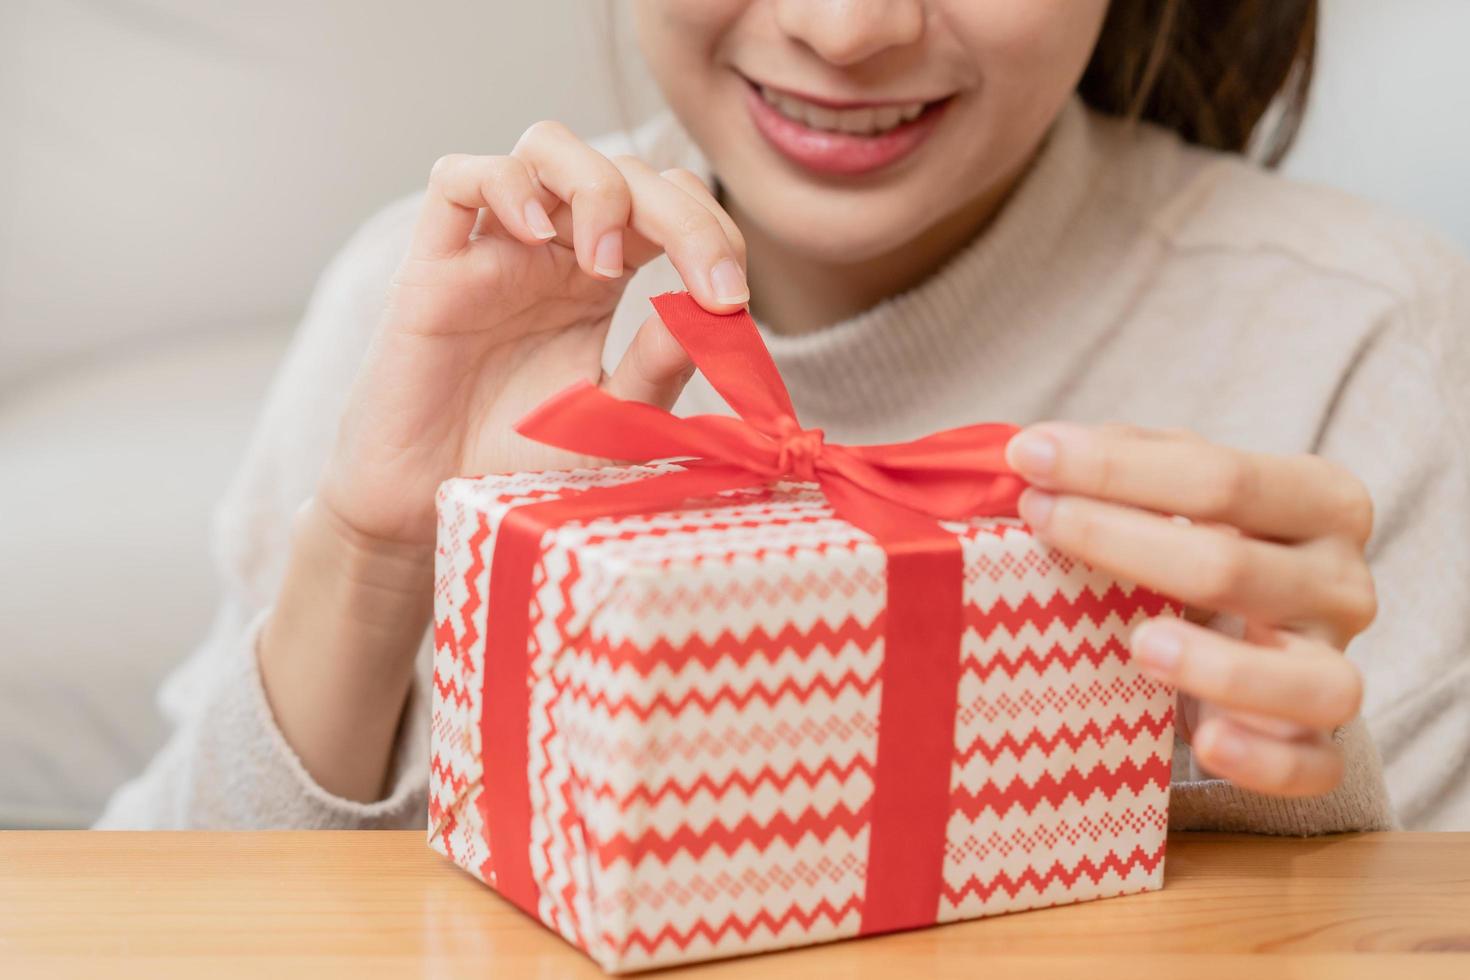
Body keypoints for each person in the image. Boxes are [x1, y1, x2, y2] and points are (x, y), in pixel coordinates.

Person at [99, 0, 1470, 832]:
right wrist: (382, 555)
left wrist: (1284, 792)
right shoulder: (440, 293)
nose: (844, 27)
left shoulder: (1364, 342)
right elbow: (142, 932)